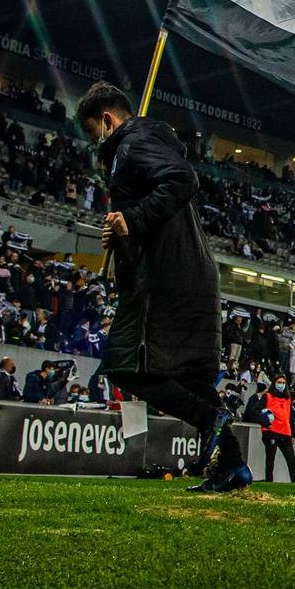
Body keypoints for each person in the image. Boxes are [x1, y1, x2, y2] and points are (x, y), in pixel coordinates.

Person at [79, 82, 246, 493]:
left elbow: (181, 180)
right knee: (187, 378)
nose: (93, 142)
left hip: (164, 279)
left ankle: (212, 421)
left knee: (123, 363)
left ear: (107, 119)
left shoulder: (132, 145)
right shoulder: (138, 145)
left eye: (93, 132)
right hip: (184, 273)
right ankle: (232, 467)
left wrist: (131, 220)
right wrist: (122, 230)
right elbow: (158, 201)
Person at [246, 378, 295, 483]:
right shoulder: (268, 396)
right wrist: (265, 423)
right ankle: (269, 480)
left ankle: (294, 481)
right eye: (279, 382)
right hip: (271, 432)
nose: (281, 385)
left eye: (283, 383)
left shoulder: (288, 399)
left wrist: (293, 434)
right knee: (270, 459)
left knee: (291, 460)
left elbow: (290, 418)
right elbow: (254, 411)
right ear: (274, 384)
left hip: (285, 432)